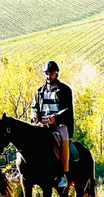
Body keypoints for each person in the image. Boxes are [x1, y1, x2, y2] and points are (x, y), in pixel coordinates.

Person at [30, 60, 74, 188]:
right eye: (47, 74)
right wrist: (34, 114)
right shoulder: (39, 91)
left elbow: (68, 109)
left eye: (51, 74)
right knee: (28, 138)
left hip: (58, 124)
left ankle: (63, 174)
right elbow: (34, 107)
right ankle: (24, 169)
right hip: (42, 124)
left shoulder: (65, 90)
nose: (48, 77)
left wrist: (55, 118)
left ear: (56, 74)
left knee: (64, 141)